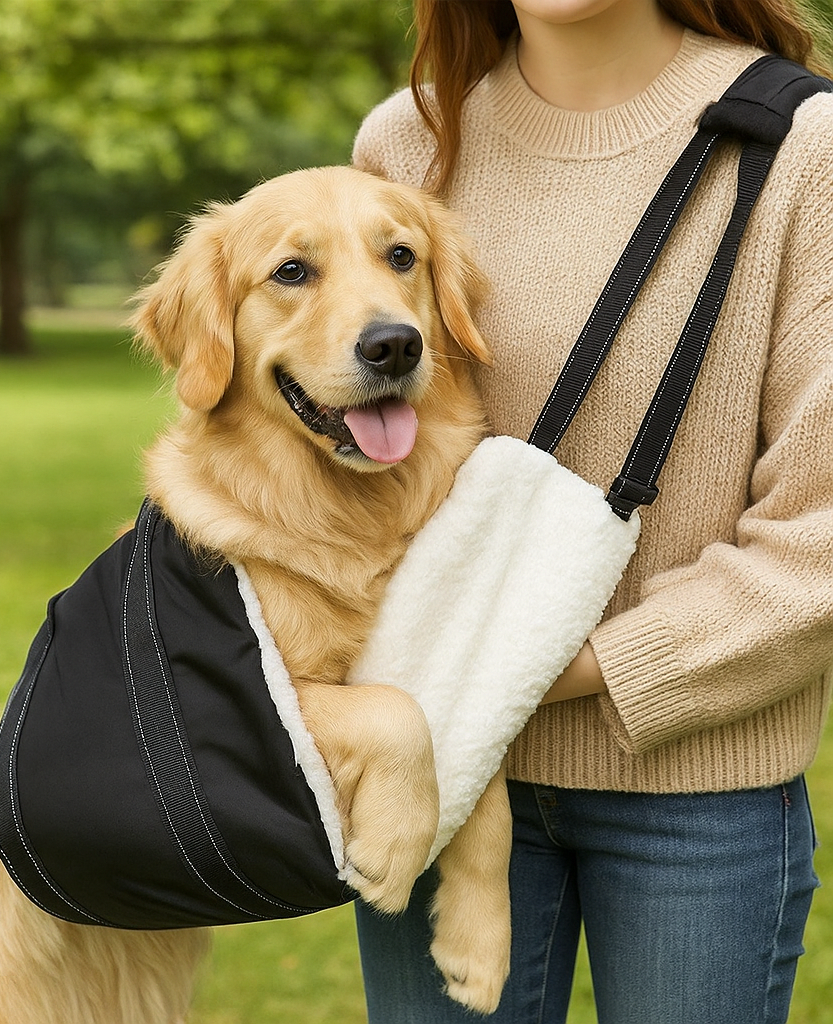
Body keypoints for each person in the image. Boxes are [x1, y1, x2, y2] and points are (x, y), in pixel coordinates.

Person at [351, 1, 833, 1021]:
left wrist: (532, 670)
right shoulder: (407, 143)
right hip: (441, 773)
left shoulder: (804, 149)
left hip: (695, 798)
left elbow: (818, 545)